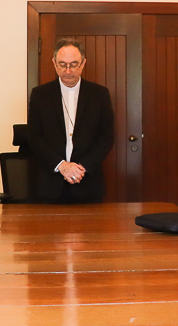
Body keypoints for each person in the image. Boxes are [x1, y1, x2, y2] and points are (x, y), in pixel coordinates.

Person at [27, 38, 114, 203]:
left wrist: (81, 168)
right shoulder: (40, 95)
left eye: (73, 65)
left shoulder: (99, 95)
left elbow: (106, 137)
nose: (68, 71)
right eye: (62, 64)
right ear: (54, 63)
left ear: (83, 63)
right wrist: (62, 166)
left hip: (87, 183)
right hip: (51, 185)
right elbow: (35, 137)